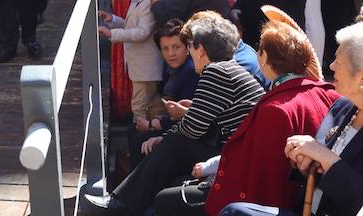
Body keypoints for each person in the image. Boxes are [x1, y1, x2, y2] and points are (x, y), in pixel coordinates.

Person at [154, 13, 338, 215]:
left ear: (266, 59)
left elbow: (261, 178)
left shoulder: (275, 109)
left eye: (260, 51)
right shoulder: (324, 93)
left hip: (258, 203)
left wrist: (211, 174)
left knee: (164, 200)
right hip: (292, 196)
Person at [86, 13, 265, 215]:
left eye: (190, 46)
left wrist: (164, 138)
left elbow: (192, 129)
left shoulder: (217, 71)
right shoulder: (231, 69)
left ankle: (122, 204)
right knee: (169, 144)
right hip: (239, 157)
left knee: (174, 143)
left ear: (202, 50)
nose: (189, 52)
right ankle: (125, 203)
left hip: (236, 162)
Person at [220, 19, 363, 216]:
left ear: (361, 77)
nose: (331, 66)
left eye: (339, 61)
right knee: (234, 211)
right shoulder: (342, 107)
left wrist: (323, 156)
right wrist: (307, 161)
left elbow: (357, 197)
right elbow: (317, 175)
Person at [99, 0, 164, 125]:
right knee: (151, 104)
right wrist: (112, 19)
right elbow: (131, 25)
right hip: (140, 68)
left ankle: (139, 137)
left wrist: (112, 34)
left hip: (146, 68)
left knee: (139, 106)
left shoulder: (149, 3)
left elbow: (141, 32)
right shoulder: (138, 1)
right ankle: (150, 134)